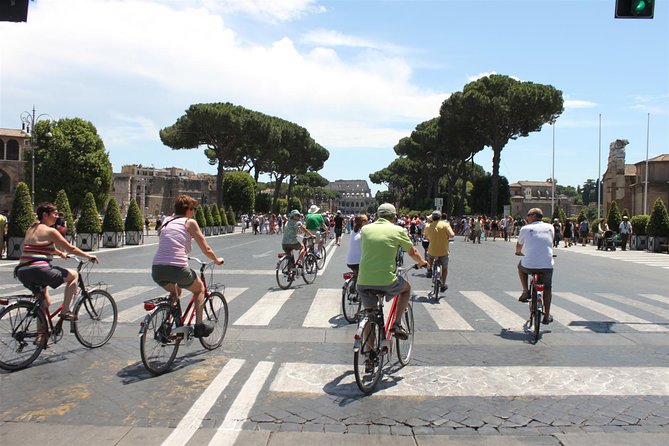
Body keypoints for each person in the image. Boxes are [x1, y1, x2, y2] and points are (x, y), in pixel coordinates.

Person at [15, 203, 99, 345]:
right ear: (45, 215)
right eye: (54, 214)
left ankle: (41, 336)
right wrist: (88, 256)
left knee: (44, 302)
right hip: (39, 269)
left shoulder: (32, 228)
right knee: (73, 275)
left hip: (22, 271)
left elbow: (41, 245)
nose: (57, 216)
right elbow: (70, 248)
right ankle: (65, 311)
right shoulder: (51, 231)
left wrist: (60, 254)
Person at [151, 195, 224, 338]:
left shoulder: (167, 220)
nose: (194, 212)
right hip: (177, 268)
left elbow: (162, 235)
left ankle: (168, 325)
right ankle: (199, 326)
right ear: (188, 210)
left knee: (176, 291)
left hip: (157, 269)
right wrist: (216, 259)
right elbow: (206, 249)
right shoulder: (190, 222)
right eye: (194, 209)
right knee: (200, 289)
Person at [357, 203, 428, 343]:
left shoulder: (365, 229)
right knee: (406, 289)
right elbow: (412, 251)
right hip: (386, 280)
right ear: (394, 217)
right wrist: (422, 262)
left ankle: (370, 357)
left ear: (377, 215)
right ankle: (396, 324)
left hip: (363, 280)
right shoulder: (398, 230)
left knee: (369, 314)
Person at [516, 208, 555, 325]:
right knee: (547, 288)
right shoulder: (550, 227)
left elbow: (519, 245)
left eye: (528, 215)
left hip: (529, 264)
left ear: (533, 216)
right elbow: (550, 242)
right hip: (546, 265)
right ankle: (547, 315)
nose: (527, 218)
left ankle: (526, 291)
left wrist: (518, 252)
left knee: (520, 267)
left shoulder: (525, 228)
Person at [424, 210, 455, 292]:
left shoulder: (428, 226)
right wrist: (447, 237)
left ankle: (429, 269)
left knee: (429, 257)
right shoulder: (445, 225)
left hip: (432, 250)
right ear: (440, 217)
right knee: (444, 268)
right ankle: (443, 284)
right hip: (443, 251)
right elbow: (452, 235)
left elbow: (426, 237)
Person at [345, 214, 369, 288]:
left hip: (350, 261)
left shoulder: (354, 231)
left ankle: (354, 285)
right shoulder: (364, 232)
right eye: (367, 220)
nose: (368, 222)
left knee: (358, 275)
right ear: (363, 222)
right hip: (358, 262)